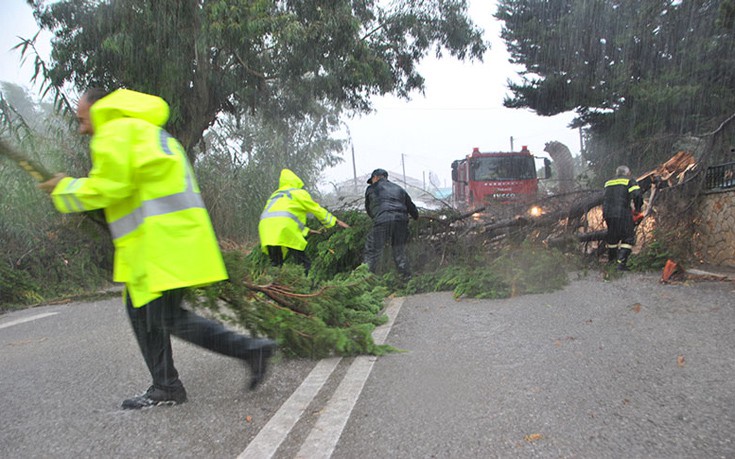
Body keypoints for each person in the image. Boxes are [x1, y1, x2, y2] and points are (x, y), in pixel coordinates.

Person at [38, 88, 277, 409]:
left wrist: (64, 188)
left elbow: (109, 188)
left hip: (159, 244)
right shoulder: (150, 132)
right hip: (170, 240)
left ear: (100, 109)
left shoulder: (114, 133)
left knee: (165, 316)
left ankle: (250, 350)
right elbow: (129, 188)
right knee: (141, 311)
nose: (82, 129)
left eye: (83, 120)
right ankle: (166, 385)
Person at [259, 168, 349, 272]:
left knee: (276, 263)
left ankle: (273, 285)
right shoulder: (298, 193)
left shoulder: (275, 195)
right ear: (296, 181)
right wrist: (336, 221)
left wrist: (308, 231)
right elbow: (317, 209)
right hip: (285, 229)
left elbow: (286, 218)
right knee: (303, 262)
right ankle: (308, 285)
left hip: (266, 230)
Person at [363, 168, 419, 278]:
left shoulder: (371, 188)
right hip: (401, 221)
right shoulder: (399, 188)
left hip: (382, 220)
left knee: (372, 251)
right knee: (399, 251)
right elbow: (413, 210)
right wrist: (415, 217)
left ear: (375, 178)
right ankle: (407, 278)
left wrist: (377, 219)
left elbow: (369, 209)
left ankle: (365, 280)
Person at [602, 165, 644, 271]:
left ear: (617, 173)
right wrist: (638, 209)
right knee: (628, 238)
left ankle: (611, 263)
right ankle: (621, 264)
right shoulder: (629, 181)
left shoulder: (608, 182)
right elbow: (637, 195)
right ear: (627, 173)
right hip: (622, 213)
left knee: (613, 238)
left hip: (608, 214)